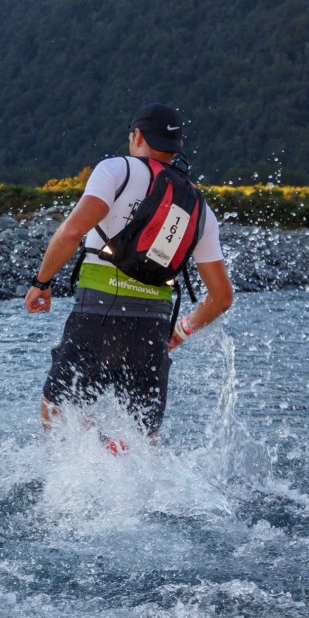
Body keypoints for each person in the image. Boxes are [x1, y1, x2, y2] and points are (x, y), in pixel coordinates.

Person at [24, 103, 234, 444]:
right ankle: (128, 474)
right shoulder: (198, 205)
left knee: (57, 411)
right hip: (153, 329)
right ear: (177, 147)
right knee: (144, 437)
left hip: (98, 316)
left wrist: (41, 283)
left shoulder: (115, 170)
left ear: (136, 136)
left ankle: (100, 452)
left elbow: (71, 232)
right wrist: (180, 333)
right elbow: (222, 298)